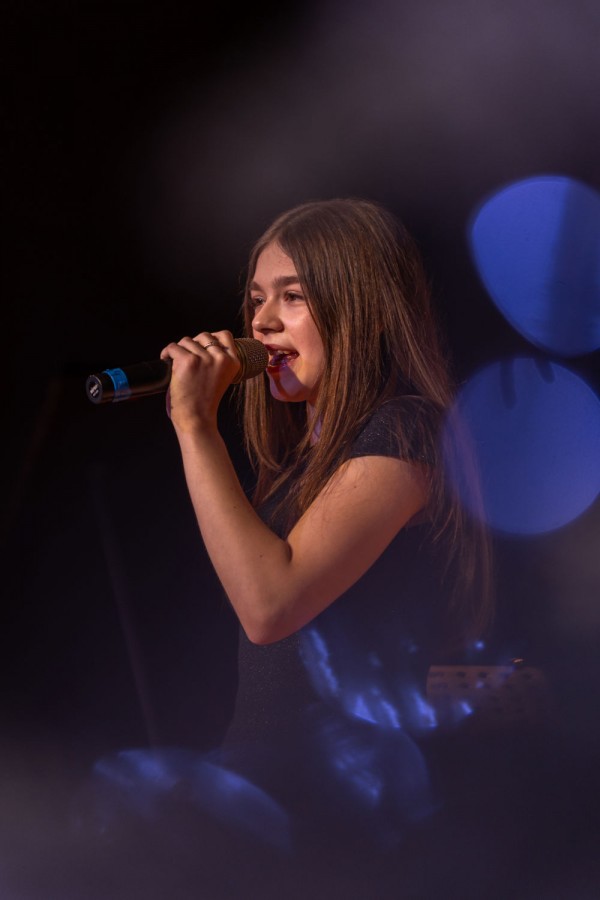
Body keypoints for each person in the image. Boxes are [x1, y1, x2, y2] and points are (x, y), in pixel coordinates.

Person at [79, 198, 492, 898]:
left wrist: (194, 425)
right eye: (256, 301)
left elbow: (271, 604)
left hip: (347, 816)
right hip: (278, 801)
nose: (262, 323)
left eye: (292, 297)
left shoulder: (408, 431)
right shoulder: (305, 465)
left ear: (361, 310)